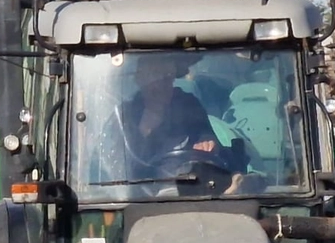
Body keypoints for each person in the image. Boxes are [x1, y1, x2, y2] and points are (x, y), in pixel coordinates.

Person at [107, 53, 250, 186]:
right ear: (140, 79)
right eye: (155, 77)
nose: (162, 85)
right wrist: (144, 131)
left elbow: (207, 137)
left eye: (168, 78)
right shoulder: (124, 116)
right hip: (145, 195)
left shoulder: (188, 104)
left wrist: (208, 141)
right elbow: (118, 171)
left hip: (193, 190)